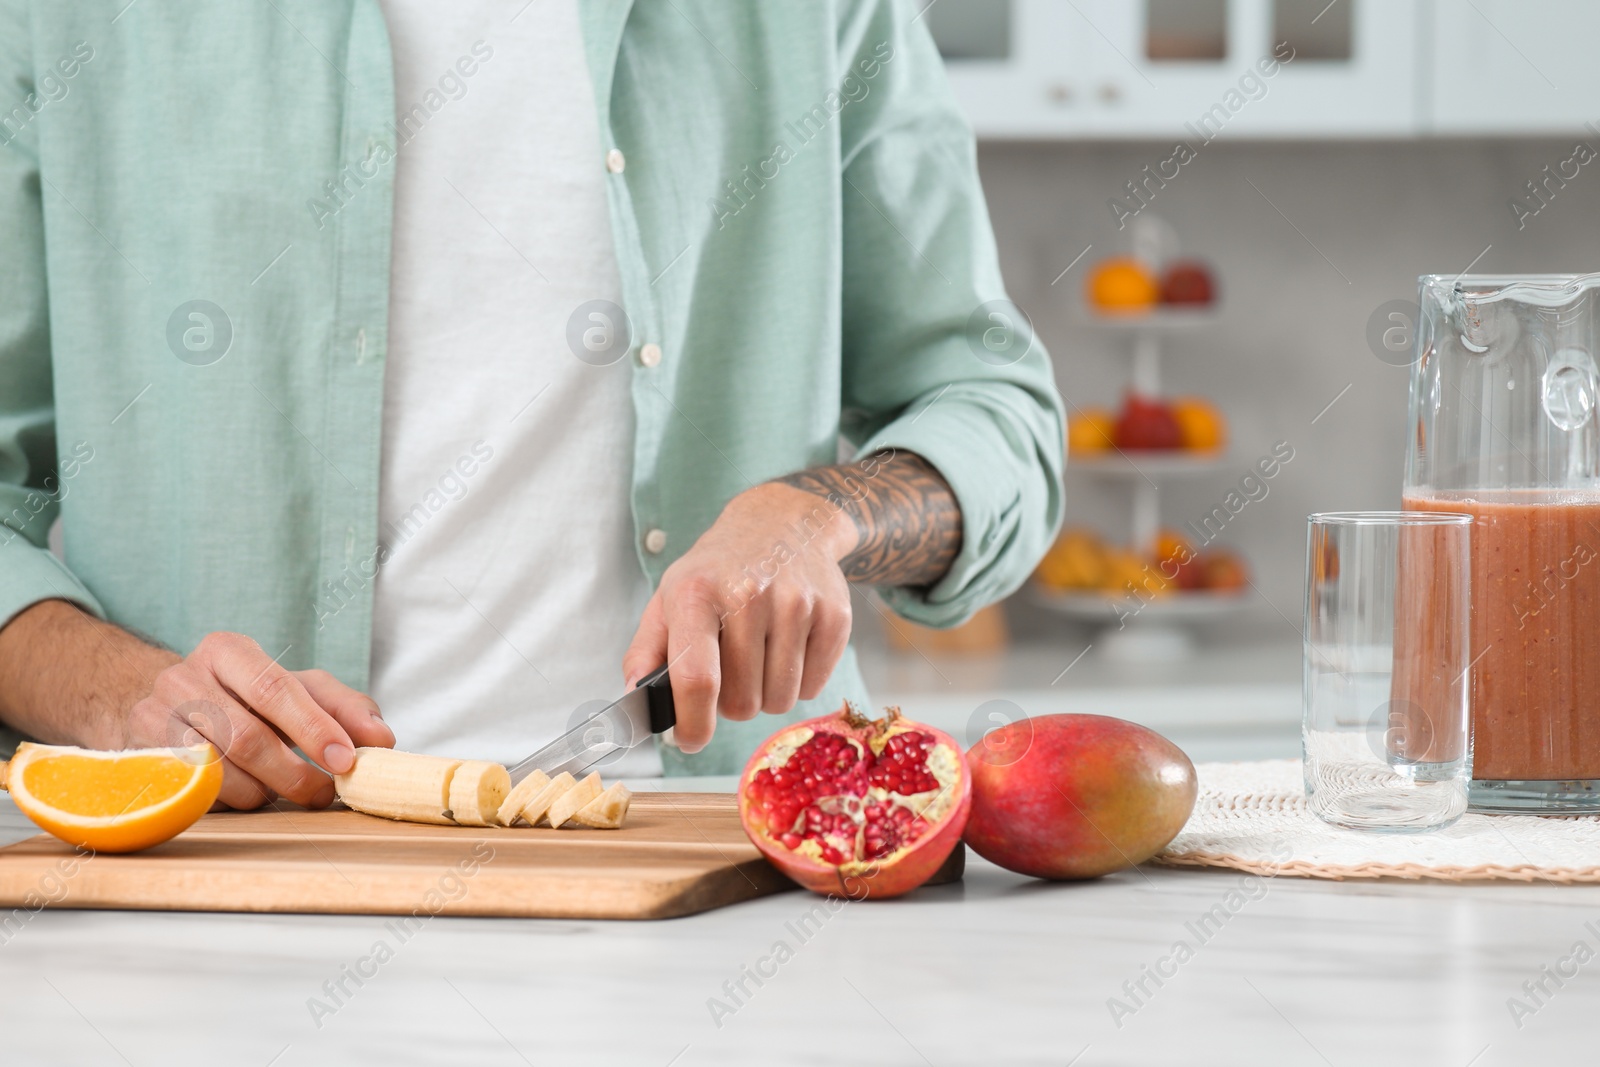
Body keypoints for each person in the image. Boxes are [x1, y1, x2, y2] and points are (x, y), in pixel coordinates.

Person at [0, 0, 1063, 810]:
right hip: (234, 893)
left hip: (716, 874)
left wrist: (814, 516)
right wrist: (115, 689)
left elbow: (992, 413)